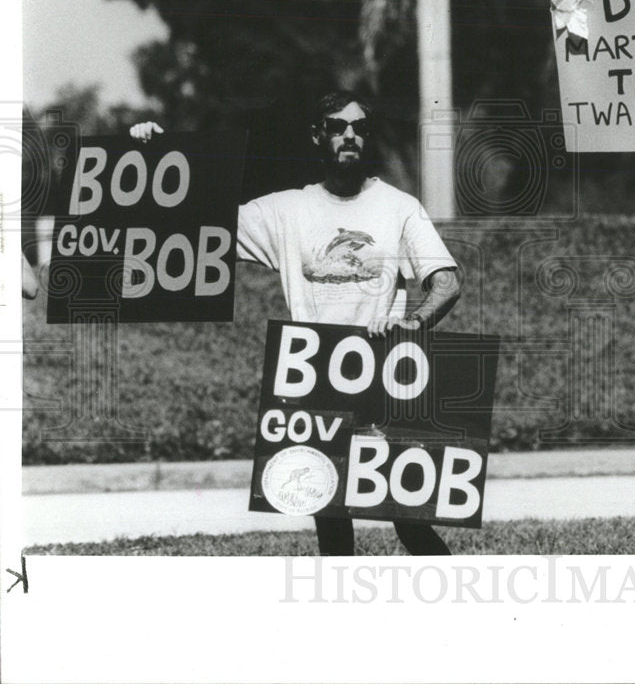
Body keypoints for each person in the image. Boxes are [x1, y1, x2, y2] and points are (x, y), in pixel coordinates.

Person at [131, 90, 461, 556]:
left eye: (360, 128)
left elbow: (446, 283)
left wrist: (414, 324)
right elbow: (198, 217)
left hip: (384, 378)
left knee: (408, 519)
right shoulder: (284, 210)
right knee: (330, 519)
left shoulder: (399, 207)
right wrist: (156, 154)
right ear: (317, 135)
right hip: (315, 381)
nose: (349, 135)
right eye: (336, 126)